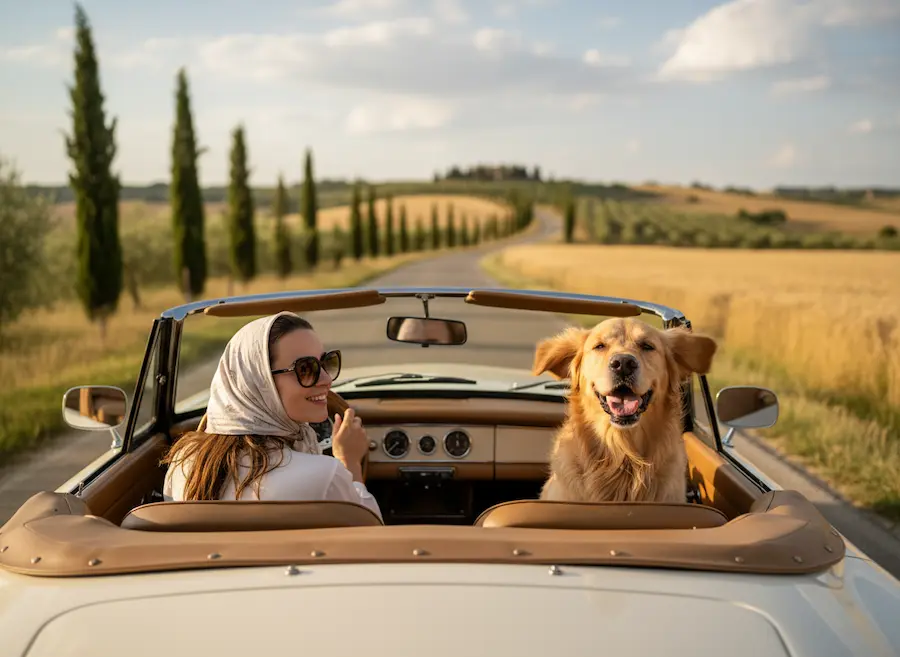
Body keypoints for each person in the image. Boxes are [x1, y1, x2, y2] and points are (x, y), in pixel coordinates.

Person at [161, 311, 381, 521]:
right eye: (305, 369)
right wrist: (348, 461)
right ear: (259, 382)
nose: (326, 379)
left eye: (326, 363)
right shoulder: (325, 475)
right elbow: (370, 529)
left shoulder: (184, 462)